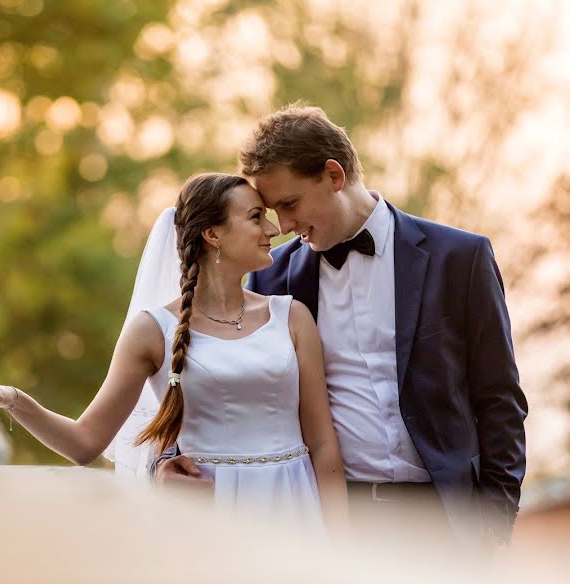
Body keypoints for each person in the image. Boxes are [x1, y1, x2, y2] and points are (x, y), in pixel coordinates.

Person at [154, 103, 527, 546]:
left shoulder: (460, 259)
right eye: (273, 212)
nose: (285, 227)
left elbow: (500, 398)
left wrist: (496, 520)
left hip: (446, 520)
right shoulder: (273, 278)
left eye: (289, 204)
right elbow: (231, 377)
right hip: (332, 518)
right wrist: (170, 459)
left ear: (334, 176)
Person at [0, 172, 348, 532]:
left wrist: (341, 549)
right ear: (212, 233)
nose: (272, 229)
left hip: (292, 510)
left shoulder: (291, 317)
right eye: (255, 217)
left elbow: (323, 444)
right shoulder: (152, 330)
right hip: (204, 519)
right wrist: (11, 399)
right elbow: (84, 444)